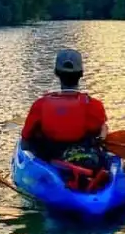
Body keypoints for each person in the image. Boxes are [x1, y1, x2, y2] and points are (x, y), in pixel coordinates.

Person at [20, 49, 109, 186]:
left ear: (56, 73)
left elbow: (25, 141)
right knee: (100, 138)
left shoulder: (40, 105)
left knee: (31, 143)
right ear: (81, 74)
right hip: (86, 158)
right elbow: (100, 134)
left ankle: (65, 176)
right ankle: (91, 179)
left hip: (52, 159)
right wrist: (102, 135)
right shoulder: (94, 105)